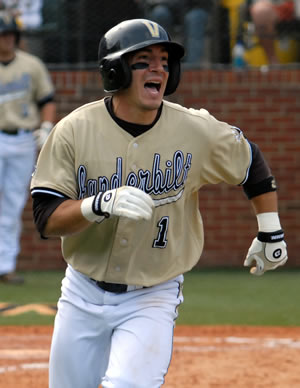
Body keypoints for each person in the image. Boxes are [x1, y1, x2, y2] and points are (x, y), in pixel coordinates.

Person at [30, 18, 287, 388]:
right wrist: (96, 204)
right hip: (82, 293)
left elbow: (251, 163)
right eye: (144, 60)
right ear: (115, 71)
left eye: (165, 61)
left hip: (152, 294)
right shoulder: (73, 130)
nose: (159, 69)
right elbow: (46, 218)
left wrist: (270, 230)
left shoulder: (194, 129)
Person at [0, 10, 55, 284]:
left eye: (10, 34)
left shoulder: (31, 65)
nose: (7, 40)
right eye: (3, 35)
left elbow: (46, 100)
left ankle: (6, 266)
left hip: (22, 138)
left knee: (13, 204)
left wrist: (45, 126)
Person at [144, 0, 214, 64]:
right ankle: (159, 63)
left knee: (195, 18)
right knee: (159, 13)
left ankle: (191, 67)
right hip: (167, 6)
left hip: (195, 6)